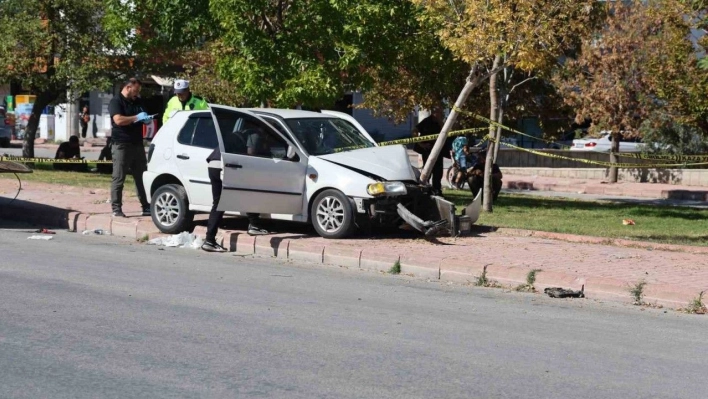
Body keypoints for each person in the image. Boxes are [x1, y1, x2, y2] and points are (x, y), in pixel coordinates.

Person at [108, 77, 152, 218]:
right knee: (119, 177)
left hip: (137, 144)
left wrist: (147, 119)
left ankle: (146, 206)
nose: (137, 93)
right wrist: (135, 118)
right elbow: (118, 120)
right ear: (128, 87)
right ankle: (116, 208)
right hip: (121, 144)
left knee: (141, 177)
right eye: (136, 90)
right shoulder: (116, 101)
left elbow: (144, 115)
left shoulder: (138, 102)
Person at [413, 115, 449, 196]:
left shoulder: (440, 122)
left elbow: (447, 131)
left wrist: (440, 121)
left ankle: (437, 190)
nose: (440, 112)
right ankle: (425, 189)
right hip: (427, 150)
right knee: (427, 170)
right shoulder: (427, 121)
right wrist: (421, 144)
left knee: (438, 171)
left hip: (439, 150)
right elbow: (414, 131)